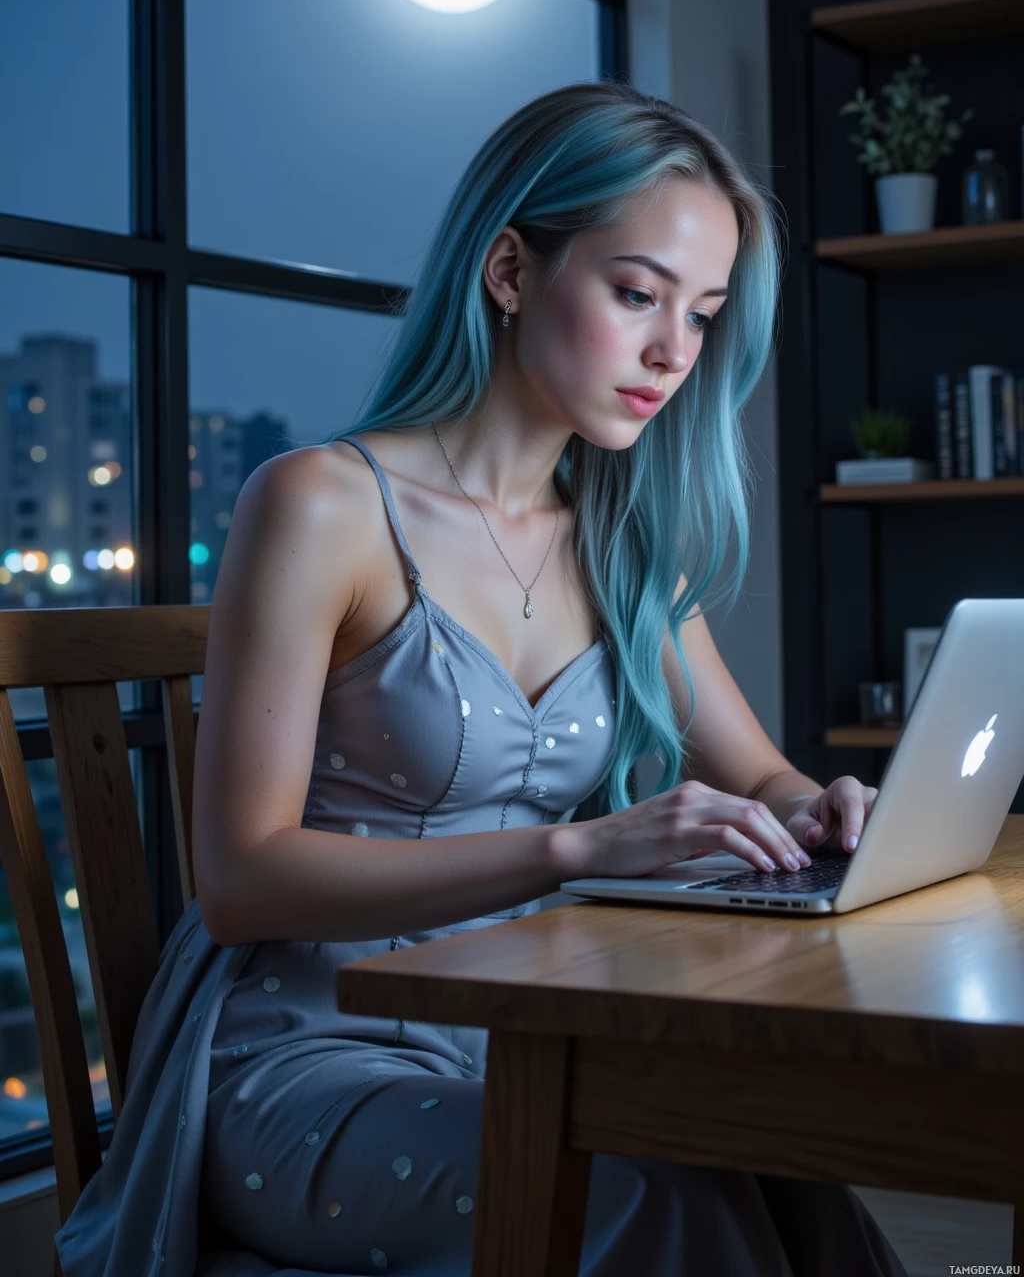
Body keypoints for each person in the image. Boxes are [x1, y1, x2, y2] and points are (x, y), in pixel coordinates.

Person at [55, 81, 906, 1276]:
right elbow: (239, 881)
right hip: (305, 1057)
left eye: (703, 315)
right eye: (635, 294)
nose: (675, 352)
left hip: (532, 1027)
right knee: (653, 1206)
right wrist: (579, 850)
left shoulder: (619, 539)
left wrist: (811, 807)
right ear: (509, 271)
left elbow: (755, 768)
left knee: (792, 1182)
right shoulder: (320, 504)